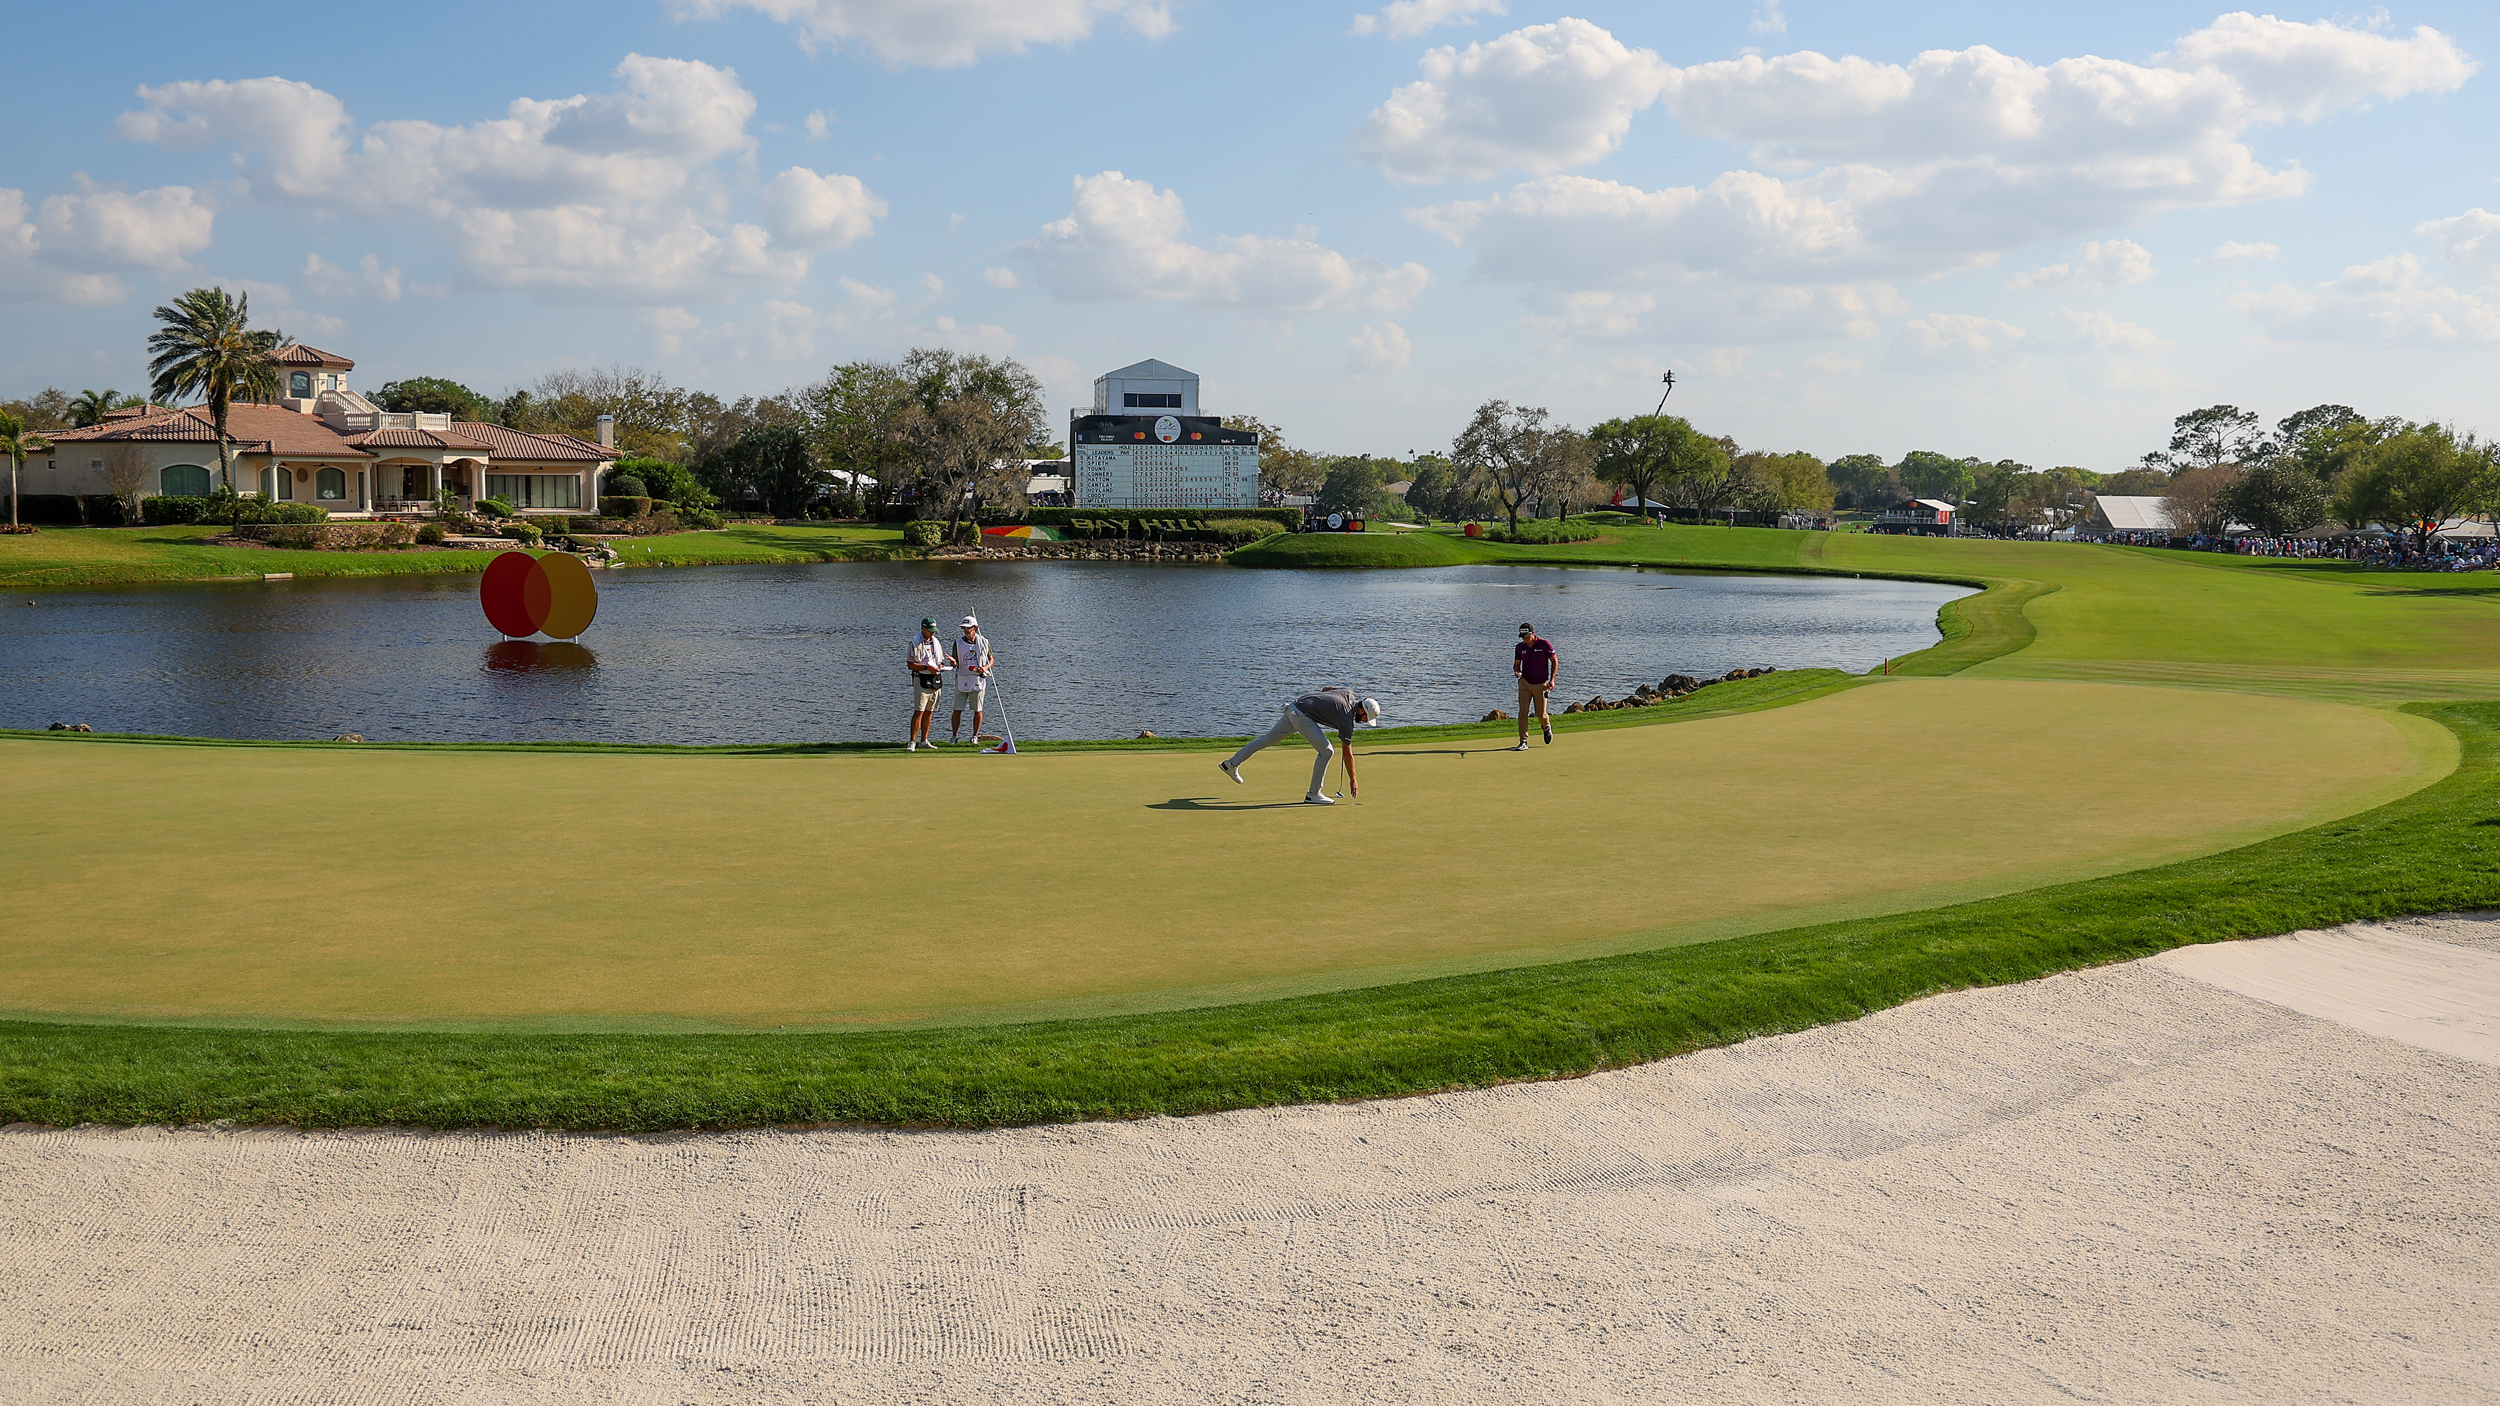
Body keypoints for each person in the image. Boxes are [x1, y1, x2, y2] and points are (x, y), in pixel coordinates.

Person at [1219, 686, 1380, 805]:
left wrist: (1324, 708)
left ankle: (1231, 764)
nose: (1366, 721)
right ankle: (1313, 794)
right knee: (1327, 751)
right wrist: (1354, 780)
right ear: (1361, 710)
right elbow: (1347, 753)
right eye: (1367, 718)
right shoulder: (1346, 719)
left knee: (1268, 739)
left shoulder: (1348, 692)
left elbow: (1326, 690)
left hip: (1293, 708)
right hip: (1302, 715)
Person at [905, 617, 950, 750]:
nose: (932, 633)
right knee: (919, 711)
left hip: (935, 678)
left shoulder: (936, 642)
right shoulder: (914, 643)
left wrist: (941, 665)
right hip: (921, 678)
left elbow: (940, 660)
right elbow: (910, 664)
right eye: (930, 630)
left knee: (929, 711)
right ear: (923, 629)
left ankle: (924, 740)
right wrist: (926, 668)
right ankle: (912, 741)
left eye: (933, 631)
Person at [949, 614, 993, 744]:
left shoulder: (984, 642)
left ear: (975, 628)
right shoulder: (957, 643)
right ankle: (954, 736)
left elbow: (991, 659)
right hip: (962, 679)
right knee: (957, 710)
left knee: (977, 710)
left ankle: (975, 736)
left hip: (978, 679)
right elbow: (955, 661)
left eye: (968, 628)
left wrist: (985, 667)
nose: (965, 630)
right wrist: (952, 662)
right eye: (964, 628)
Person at [1513, 622, 1557, 750]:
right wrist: (1517, 671)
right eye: (1522, 636)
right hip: (1525, 683)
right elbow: (1516, 664)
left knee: (1540, 714)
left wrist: (1552, 680)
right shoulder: (1520, 647)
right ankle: (1523, 741)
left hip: (1541, 684)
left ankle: (1546, 726)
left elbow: (1555, 661)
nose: (1525, 639)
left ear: (1533, 633)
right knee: (1523, 713)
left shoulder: (1544, 644)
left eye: (1527, 636)